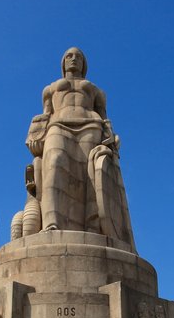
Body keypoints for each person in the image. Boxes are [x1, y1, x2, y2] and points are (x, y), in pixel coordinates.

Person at [25, 47, 135, 250]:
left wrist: (112, 137)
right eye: (68, 56)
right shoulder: (50, 89)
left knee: (91, 176)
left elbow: (104, 118)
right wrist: (34, 135)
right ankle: (51, 223)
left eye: (78, 57)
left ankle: (92, 227)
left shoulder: (94, 90)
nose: (73, 59)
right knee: (55, 162)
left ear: (84, 64)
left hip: (90, 127)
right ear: (62, 62)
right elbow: (44, 116)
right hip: (58, 125)